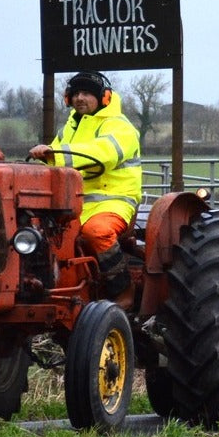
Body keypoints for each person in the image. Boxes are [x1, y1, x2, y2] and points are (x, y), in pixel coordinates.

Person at [29, 70, 142, 280]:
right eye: (76, 93)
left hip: (114, 202)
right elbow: (54, 160)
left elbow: (104, 153)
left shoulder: (120, 126)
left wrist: (54, 156)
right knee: (36, 231)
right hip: (74, 204)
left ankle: (123, 287)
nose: (80, 98)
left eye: (87, 93)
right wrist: (45, 158)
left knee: (96, 232)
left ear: (104, 97)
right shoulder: (69, 128)